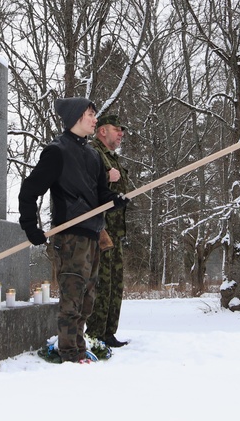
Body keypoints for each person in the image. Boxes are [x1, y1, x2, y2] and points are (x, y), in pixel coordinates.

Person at [18, 97, 127, 363]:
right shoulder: (57, 151)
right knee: (73, 296)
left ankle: (79, 348)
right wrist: (31, 227)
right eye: (90, 114)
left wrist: (114, 200)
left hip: (93, 234)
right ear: (76, 117)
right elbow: (29, 191)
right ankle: (68, 353)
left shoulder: (92, 155)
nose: (94, 119)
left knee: (88, 298)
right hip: (70, 237)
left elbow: (100, 194)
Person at [86, 113, 132, 348]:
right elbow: (81, 185)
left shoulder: (113, 158)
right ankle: (94, 333)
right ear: (102, 130)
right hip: (99, 230)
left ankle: (108, 332)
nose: (121, 133)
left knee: (115, 283)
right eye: (117, 129)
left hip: (116, 232)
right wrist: (105, 176)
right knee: (101, 282)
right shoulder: (92, 153)